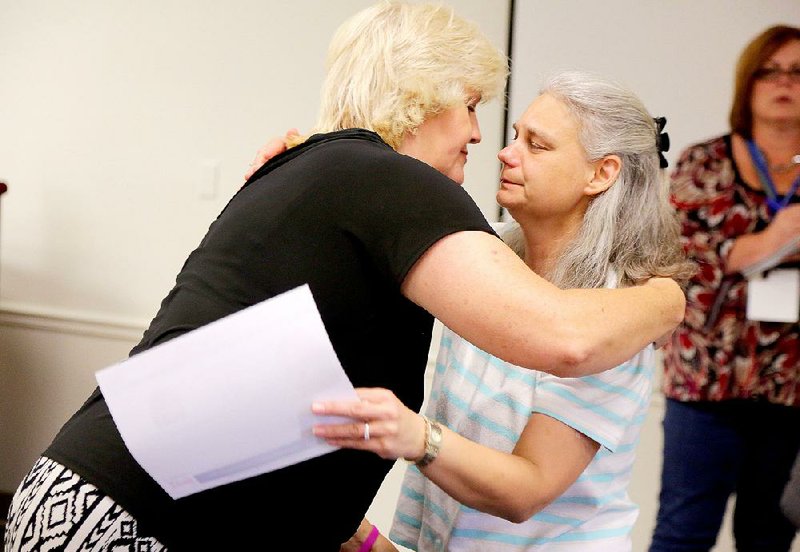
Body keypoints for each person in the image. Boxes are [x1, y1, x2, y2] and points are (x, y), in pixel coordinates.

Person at [3, 3, 685, 551]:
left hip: (103, 502)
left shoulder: (327, 172)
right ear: (425, 96)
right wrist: (673, 294)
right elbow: (563, 338)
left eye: (532, 142)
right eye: (473, 105)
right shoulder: (398, 187)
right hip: (135, 520)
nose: (484, 139)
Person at [310, 71, 694, 551]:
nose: (505, 153)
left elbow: (524, 491)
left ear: (602, 174)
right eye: (516, 137)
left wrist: (413, 435)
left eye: (537, 145)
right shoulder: (485, 256)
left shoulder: (612, 319)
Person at [649, 25, 800, 552]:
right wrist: (776, 238)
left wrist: (745, 247)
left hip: (791, 389)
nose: (784, 82)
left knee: (769, 535)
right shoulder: (703, 163)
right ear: (748, 82)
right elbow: (687, 267)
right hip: (706, 385)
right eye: (770, 70)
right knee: (683, 533)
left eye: (798, 72)